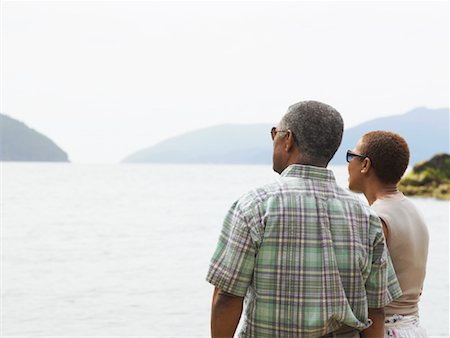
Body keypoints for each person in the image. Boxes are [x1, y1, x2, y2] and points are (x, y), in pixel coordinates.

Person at [206, 100, 402, 338]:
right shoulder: (367, 217)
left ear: (288, 139)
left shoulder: (255, 206)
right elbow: (376, 311)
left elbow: (227, 298)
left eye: (274, 133)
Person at [347, 131, 429, 338]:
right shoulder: (412, 210)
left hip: (385, 331)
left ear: (365, 165)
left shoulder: (376, 218)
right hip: (413, 327)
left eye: (351, 156)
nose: (348, 165)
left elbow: (368, 297)